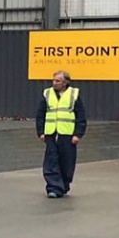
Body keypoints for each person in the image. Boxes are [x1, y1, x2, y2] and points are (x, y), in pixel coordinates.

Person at [35, 70, 87, 198]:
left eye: (57, 81)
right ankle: (53, 187)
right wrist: (41, 132)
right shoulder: (47, 94)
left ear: (65, 82)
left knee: (67, 161)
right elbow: (40, 115)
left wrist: (78, 134)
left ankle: (63, 185)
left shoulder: (74, 95)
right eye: (54, 80)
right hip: (51, 133)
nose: (54, 83)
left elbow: (81, 116)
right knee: (51, 160)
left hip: (68, 134)